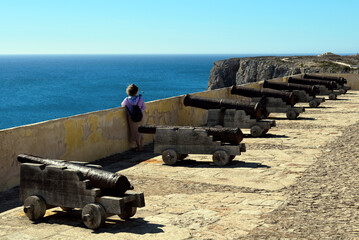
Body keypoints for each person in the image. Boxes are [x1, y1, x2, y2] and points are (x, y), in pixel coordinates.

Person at [121, 84, 146, 151]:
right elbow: (143, 107)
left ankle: (139, 147)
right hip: (140, 116)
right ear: (136, 91)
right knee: (141, 131)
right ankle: (141, 146)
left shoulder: (126, 100)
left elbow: (123, 106)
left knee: (134, 132)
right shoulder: (140, 98)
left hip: (131, 117)